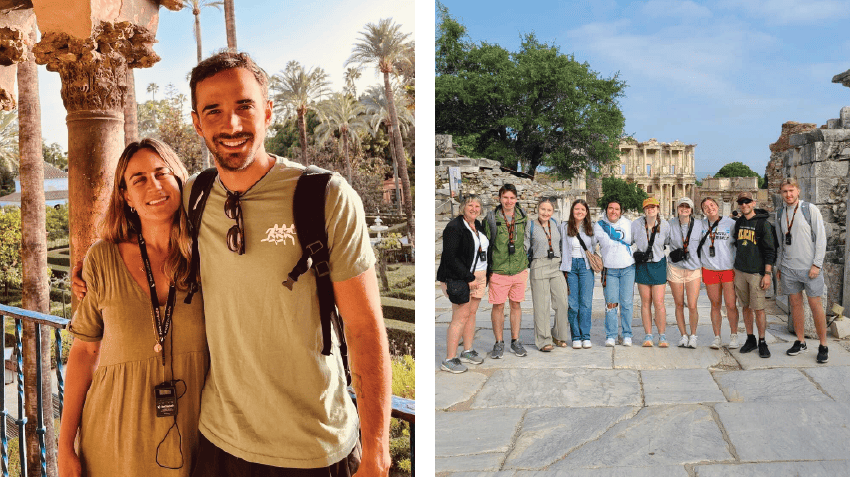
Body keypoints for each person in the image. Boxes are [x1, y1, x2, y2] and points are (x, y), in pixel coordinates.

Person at [74, 51, 390, 476]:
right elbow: (145, 219)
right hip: (219, 443)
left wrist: (377, 449)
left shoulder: (325, 197)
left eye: (244, 106)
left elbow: (365, 328)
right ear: (196, 123)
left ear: (268, 111)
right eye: (214, 111)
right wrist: (91, 267)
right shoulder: (196, 196)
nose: (232, 124)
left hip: (313, 446)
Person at [60, 139, 208, 476]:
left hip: (196, 436)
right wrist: (65, 445)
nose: (153, 185)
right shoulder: (102, 258)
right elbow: (84, 351)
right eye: (138, 179)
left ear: (179, 179)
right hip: (113, 437)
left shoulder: (210, 254)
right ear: (126, 196)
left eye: (161, 173)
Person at [775, 178, 829, 363]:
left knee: (815, 306)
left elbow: (821, 238)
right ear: (781, 193)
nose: (788, 194)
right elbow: (781, 243)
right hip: (789, 268)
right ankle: (800, 341)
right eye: (785, 191)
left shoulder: (809, 209)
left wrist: (817, 264)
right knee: (795, 305)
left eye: (791, 190)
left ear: (798, 191)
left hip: (809, 268)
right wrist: (780, 265)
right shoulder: (780, 213)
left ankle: (823, 345)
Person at [437, 195, 489, 372]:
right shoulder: (454, 227)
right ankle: (449, 359)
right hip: (462, 278)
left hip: (479, 277)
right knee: (459, 317)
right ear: (462, 207)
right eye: (470, 205)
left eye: (477, 206)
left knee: (471, 315)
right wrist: (469, 278)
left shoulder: (478, 225)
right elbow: (450, 257)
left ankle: (467, 350)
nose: (474, 209)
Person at [483, 184, 529, 358]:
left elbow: (527, 239)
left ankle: (515, 340)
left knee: (516, 305)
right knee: (498, 306)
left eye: (512, 198)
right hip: (499, 269)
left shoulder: (523, 217)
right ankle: (499, 342)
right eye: (505, 197)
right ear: (499, 198)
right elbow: (485, 244)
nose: (509, 201)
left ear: (516, 199)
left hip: (518, 269)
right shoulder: (491, 218)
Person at [733, 191, 777, 359]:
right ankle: (750, 338)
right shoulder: (739, 222)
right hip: (740, 271)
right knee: (745, 307)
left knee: (758, 308)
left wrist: (767, 274)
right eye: (741, 202)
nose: (744, 205)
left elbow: (770, 251)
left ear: (753, 203)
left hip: (756, 272)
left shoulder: (763, 224)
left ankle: (762, 341)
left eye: (747, 201)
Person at [525, 197, 569, 352]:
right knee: (542, 305)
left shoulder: (555, 223)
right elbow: (525, 245)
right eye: (543, 209)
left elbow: (561, 244)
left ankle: (558, 334)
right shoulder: (530, 225)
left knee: (562, 302)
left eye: (549, 210)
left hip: (556, 265)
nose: (545, 212)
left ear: (553, 211)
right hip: (539, 264)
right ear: (538, 209)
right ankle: (544, 340)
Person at [698, 197, 740, 349]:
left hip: (728, 268)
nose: (710, 208)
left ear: (717, 206)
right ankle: (717, 337)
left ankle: (734, 335)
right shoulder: (700, 225)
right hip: (710, 269)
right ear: (703, 211)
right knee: (715, 304)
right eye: (706, 207)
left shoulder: (731, 223)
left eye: (712, 205)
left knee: (730, 304)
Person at [594, 199, 635, 347]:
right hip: (609, 270)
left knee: (627, 303)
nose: (613, 211)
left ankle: (627, 334)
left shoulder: (629, 224)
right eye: (610, 208)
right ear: (606, 210)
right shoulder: (599, 226)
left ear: (621, 211)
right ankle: (611, 335)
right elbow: (590, 244)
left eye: (617, 209)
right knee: (611, 304)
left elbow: (638, 240)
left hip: (628, 268)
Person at [631, 197, 671, 347]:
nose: (651, 209)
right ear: (644, 210)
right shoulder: (636, 224)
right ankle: (648, 335)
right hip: (643, 265)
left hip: (658, 264)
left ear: (658, 209)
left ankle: (662, 335)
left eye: (653, 207)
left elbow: (667, 242)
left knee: (659, 302)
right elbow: (629, 241)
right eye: (648, 207)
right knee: (645, 302)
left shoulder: (665, 225)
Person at [667, 198, 706, 348]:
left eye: (687, 207)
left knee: (692, 305)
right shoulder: (670, 224)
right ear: (677, 208)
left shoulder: (699, 224)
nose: (684, 209)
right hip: (675, 268)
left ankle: (693, 335)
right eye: (681, 206)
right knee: (678, 304)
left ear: (691, 209)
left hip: (693, 268)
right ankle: (683, 335)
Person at [561, 199, 597, 349]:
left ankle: (585, 336)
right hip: (570, 267)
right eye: (577, 209)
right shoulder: (564, 227)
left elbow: (595, 245)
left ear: (586, 212)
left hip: (585, 266)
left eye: (582, 209)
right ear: (572, 211)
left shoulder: (591, 227)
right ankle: (576, 336)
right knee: (573, 304)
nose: (579, 212)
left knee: (586, 303)